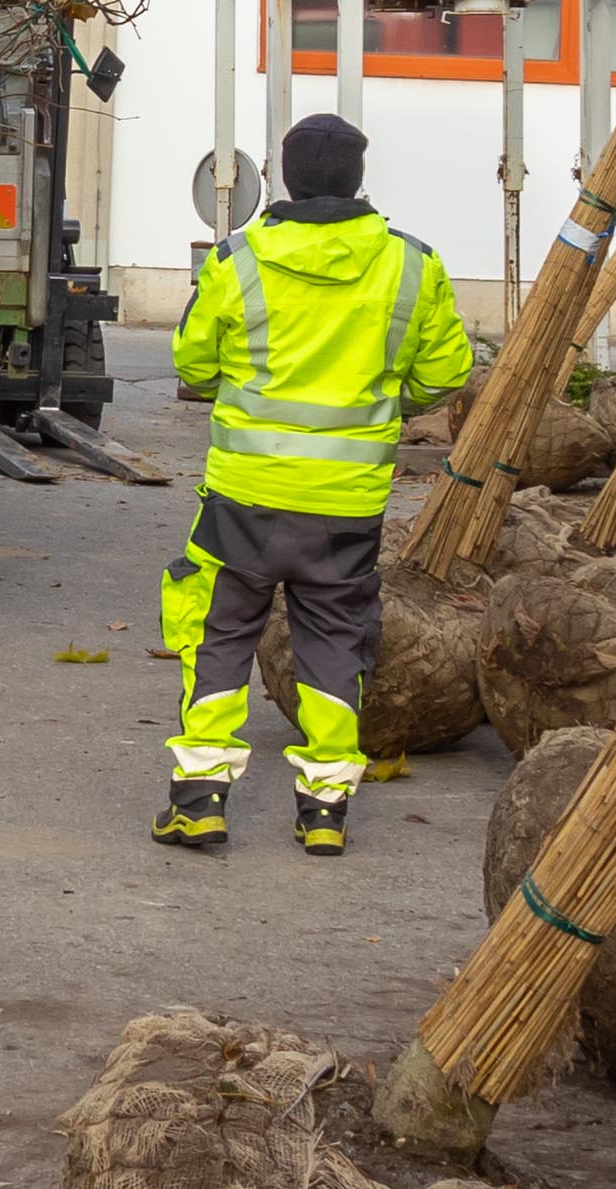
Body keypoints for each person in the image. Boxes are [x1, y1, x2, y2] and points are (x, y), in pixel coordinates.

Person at [158, 112, 470, 855]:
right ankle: (325, 809)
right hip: (347, 503)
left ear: (287, 178)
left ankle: (199, 800)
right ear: (358, 178)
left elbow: (194, 367)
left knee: (219, 634)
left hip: (244, 495)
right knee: (335, 640)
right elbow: (446, 374)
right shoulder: (413, 265)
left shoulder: (237, 259)